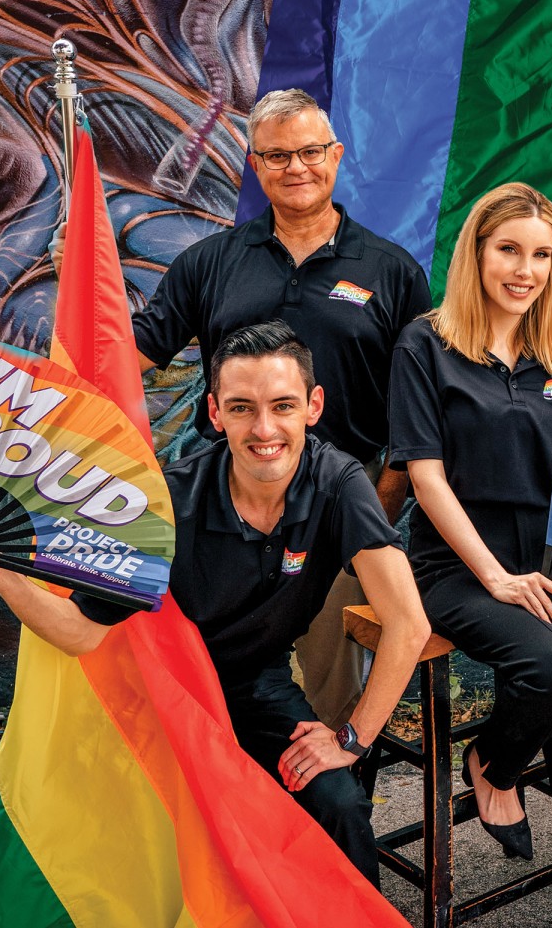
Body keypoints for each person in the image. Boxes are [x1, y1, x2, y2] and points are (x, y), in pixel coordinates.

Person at [0, 321, 430, 886]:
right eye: (242, 408)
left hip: (256, 686)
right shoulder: (167, 500)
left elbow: (408, 624)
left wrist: (350, 739)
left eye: (283, 406)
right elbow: (80, 631)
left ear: (313, 407)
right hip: (164, 696)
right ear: (215, 413)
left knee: (339, 803)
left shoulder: (337, 482)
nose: (264, 428)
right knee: (136, 834)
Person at [132, 89, 432, 730]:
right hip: (223, 508)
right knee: (218, 684)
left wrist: (380, 501)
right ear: (255, 164)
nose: (296, 167)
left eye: (310, 152)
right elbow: (130, 357)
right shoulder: (211, 263)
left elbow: (419, 407)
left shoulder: (393, 271)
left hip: (341, 501)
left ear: (336, 156)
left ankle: (331, 791)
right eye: (276, 156)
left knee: (329, 696)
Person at [388, 183, 552, 927]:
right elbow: (426, 480)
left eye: (541, 255)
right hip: (457, 567)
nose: (525, 270)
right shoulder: (424, 345)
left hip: (547, 566)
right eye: (508, 250)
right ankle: (492, 763)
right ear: (476, 252)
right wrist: (496, 577)